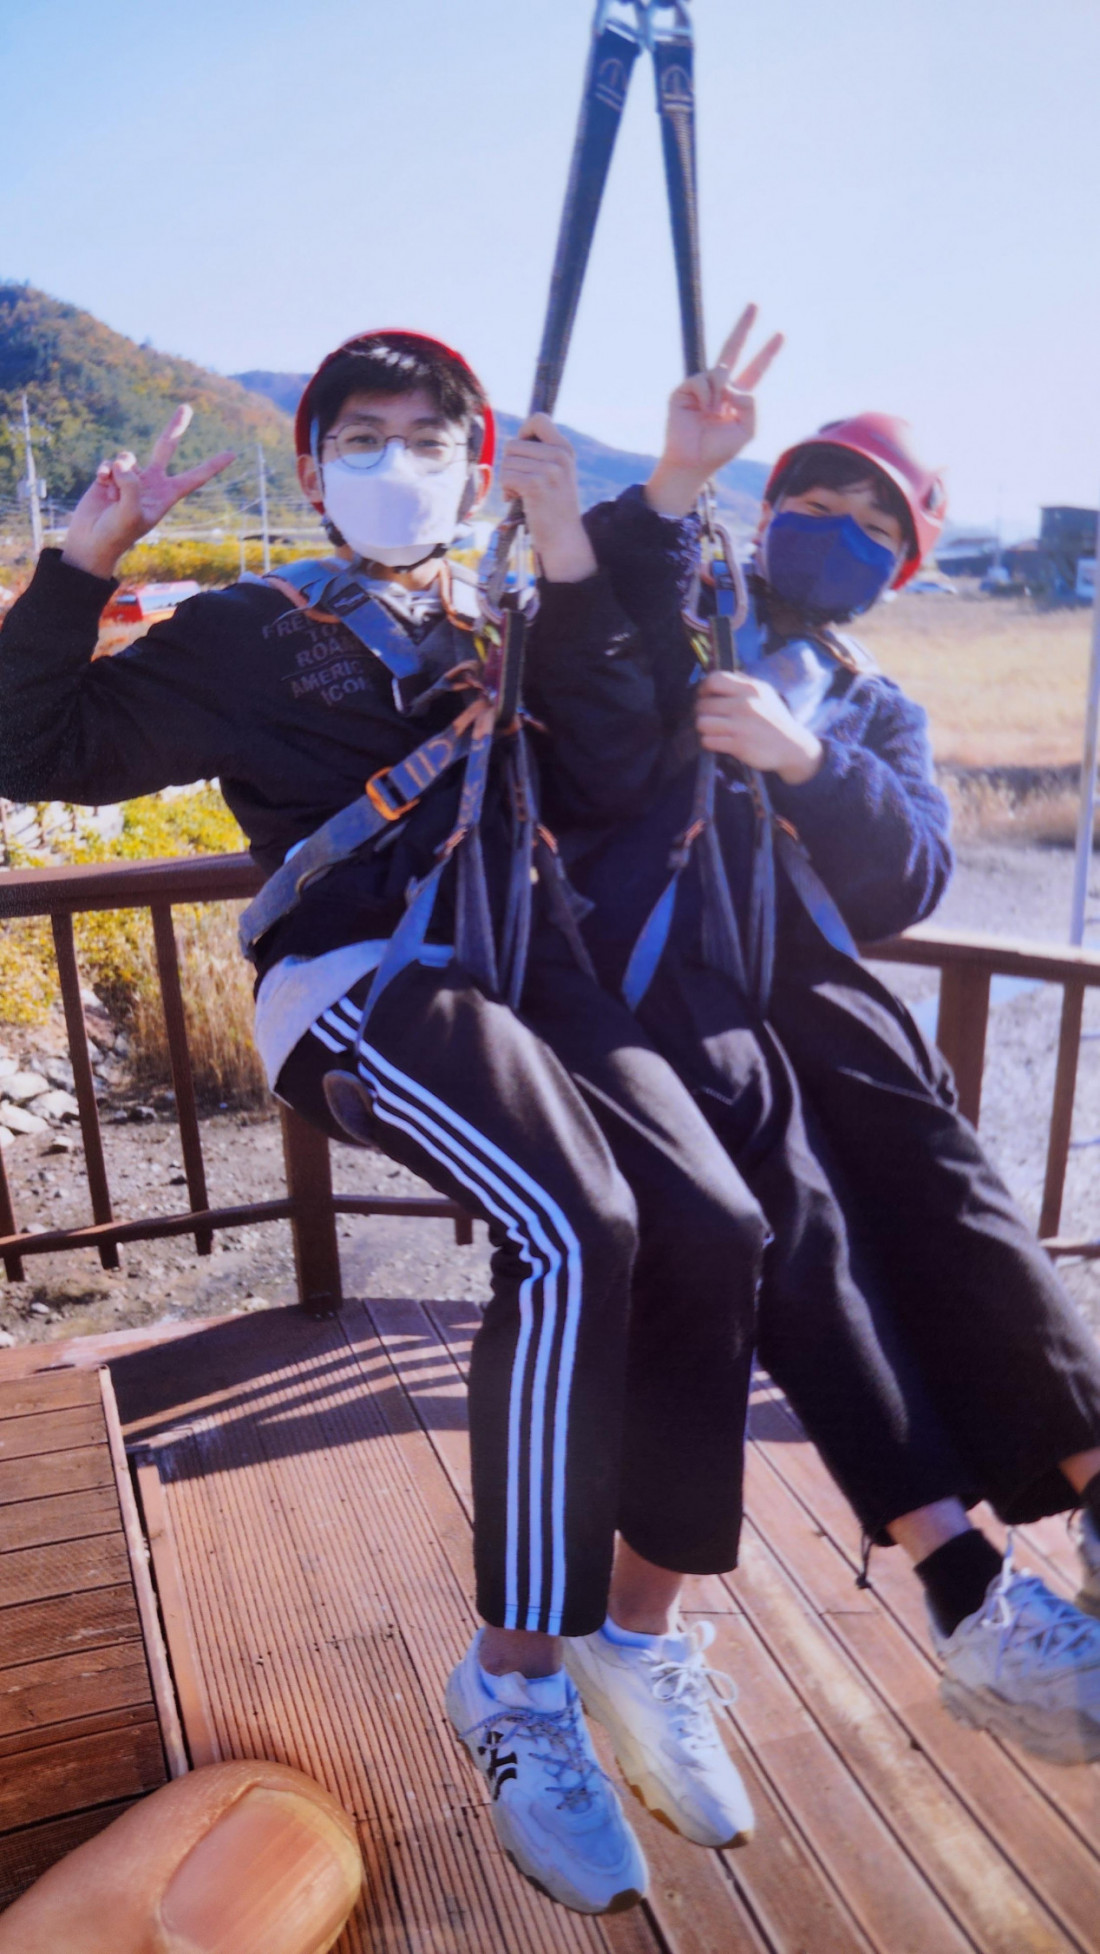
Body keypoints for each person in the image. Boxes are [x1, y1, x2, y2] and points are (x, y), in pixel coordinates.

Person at [0, 323, 787, 1911]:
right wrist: (82, 565)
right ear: (313, 469)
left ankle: (634, 1637)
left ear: (476, 467)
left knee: (715, 1224)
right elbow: (34, 747)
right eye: (363, 436)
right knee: (574, 1225)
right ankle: (514, 1679)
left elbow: (619, 749)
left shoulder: (508, 614)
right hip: (356, 975)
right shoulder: (252, 630)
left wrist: (642, 506)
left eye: (429, 439)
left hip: (522, 967)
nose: (397, 463)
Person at [527, 398, 1100, 1767]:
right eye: (819, 503)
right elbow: (586, 655)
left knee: (950, 1186)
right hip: (668, 979)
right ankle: (962, 1579)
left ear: (902, 566)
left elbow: (910, 875)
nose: (839, 531)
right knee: (798, 1222)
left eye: (875, 524)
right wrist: (667, 491)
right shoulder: (687, 604)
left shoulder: (870, 702)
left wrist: (805, 759)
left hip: (806, 982)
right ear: (768, 506)